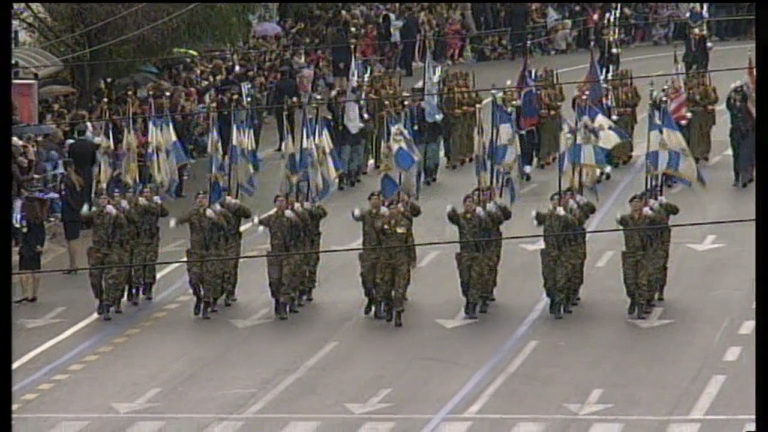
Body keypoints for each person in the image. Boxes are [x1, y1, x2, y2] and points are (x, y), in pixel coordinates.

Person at [258, 194, 301, 320]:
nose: (280, 204)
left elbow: (303, 227)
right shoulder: (272, 218)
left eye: (283, 201)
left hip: (289, 254)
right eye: (278, 201)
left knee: (286, 280)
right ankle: (277, 300)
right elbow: (260, 221)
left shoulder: (292, 217)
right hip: (275, 254)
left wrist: (295, 217)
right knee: (274, 281)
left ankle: (283, 305)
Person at [447, 194, 490, 319]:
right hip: (465, 253)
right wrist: (451, 211)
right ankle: (468, 299)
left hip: (477, 253)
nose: (468, 205)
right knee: (465, 281)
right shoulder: (461, 218)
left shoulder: (479, 218)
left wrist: (483, 215)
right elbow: (453, 219)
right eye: (466, 203)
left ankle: (472, 306)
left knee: (475, 280)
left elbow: (488, 226)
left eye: (471, 203)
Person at [374, 201, 412, 327]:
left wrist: (411, 258)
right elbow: (377, 231)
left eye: (395, 209)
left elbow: (409, 241)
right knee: (386, 287)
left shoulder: (404, 223)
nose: (393, 212)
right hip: (386, 260)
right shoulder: (384, 223)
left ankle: (398, 314)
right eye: (390, 209)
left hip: (400, 260)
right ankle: (389, 308)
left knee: (399, 289)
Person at [352, 192, 387, 317]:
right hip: (368, 253)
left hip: (381, 253)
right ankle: (370, 298)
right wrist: (355, 211)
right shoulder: (366, 215)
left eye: (377, 199)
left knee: (380, 281)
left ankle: (378, 308)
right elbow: (356, 216)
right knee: (366, 281)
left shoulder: (385, 215)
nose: (375, 202)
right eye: (372, 199)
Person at [14, 193, 49, 304]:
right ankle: (34, 293)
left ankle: (25, 293)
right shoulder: (39, 219)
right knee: (35, 270)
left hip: (26, 246)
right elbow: (42, 233)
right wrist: (40, 245)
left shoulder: (24, 220)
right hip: (36, 247)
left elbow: (22, 233)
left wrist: (19, 244)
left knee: (24, 270)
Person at [726, 82, 755, 187]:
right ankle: (737, 177)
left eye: (739, 97)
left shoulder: (748, 108)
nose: (736, 99)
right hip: (736, 132)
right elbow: (728, 104)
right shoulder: (733, 107)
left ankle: (746, 177)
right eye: (735, 97)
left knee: (746, 156)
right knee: (736, 156)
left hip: (748, 133)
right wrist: (731, 93)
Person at [60, 159, 86, 274]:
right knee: (75, 239)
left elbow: (65, 197)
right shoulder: (79, 180)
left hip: (69, 213)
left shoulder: (65, 180)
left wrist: (73, 208)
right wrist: (79, 208)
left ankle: (73, 264)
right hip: (77, 212)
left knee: (70, 240)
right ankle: (74, 263)